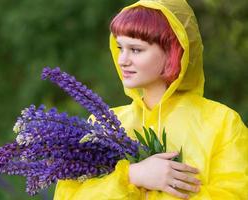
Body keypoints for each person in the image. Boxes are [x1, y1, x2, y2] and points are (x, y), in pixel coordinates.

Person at [54, 0, 248, 199]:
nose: (122, 60)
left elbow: (236, 194)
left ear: (173, 52)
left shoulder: (222, 124)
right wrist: (133, 175)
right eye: (120, 47)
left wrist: (153, 195)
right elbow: (68, 196)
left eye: (136, 50)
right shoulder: (101, 126)